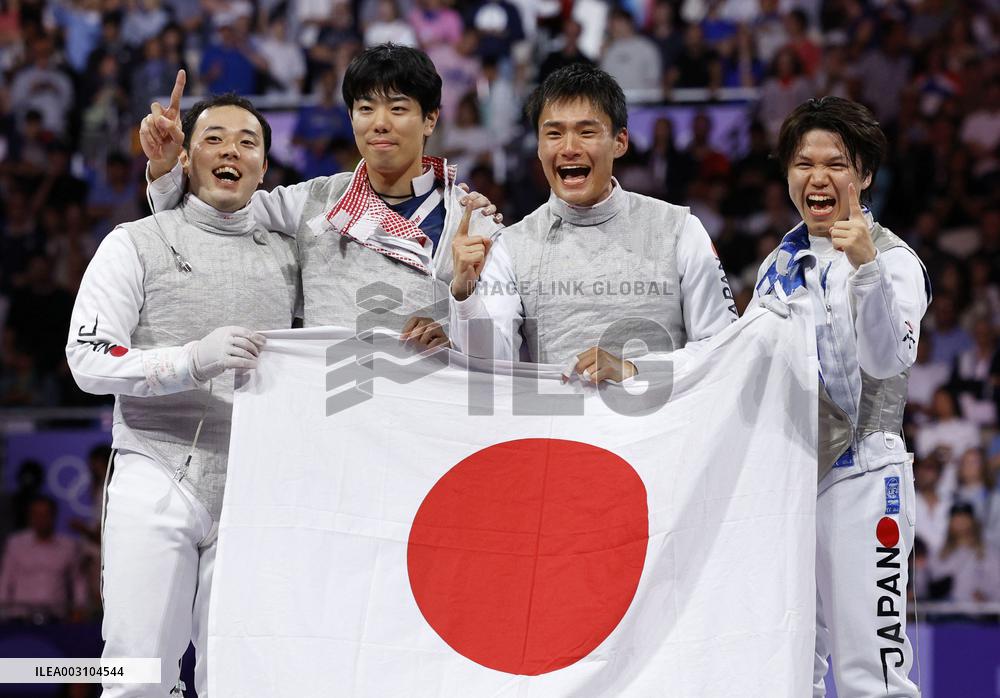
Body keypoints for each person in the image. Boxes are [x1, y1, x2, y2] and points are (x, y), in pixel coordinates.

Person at [67, 92, 299, 697]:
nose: (231, 151)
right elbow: (87, 358)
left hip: (254, 488)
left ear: (265, 168)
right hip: (157, 466)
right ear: (186, 158)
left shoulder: (292, 259)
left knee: (238, 682)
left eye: (248, 142)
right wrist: (190, 361)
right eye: (214, 138)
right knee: (137, 677)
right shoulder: (134, 242)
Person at [142, 45, 501, 345]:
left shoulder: (473, 222)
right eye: (365, 108)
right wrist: (166, 163)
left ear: (430, 119)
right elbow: (204, 215)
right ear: (351, 117)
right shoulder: (310, 202)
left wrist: (454, 339)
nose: (379, 122)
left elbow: (504, 346)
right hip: (332, 409)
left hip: (425, 413)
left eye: (398, 108)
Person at [753, 96, 930, 697]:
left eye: (835, 164)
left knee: (871, 675)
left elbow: (887, 358)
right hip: (792, 484)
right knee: (790, 669)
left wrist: (866, 268)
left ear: (865, 175)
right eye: (804, 164)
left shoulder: (897, 261)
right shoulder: (779, 264)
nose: (818, 178)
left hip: (865, 481)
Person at [448, 63, 737, 380]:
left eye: (586, 132)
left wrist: (634, 370)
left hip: (663, 425)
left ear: (620, 141)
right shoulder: (512, 246)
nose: (569, 148)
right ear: (540, 147)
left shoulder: (679, 228)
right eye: (554, 134)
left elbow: (722, 348)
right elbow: (490, 366)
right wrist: (465, 295)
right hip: (560, 428)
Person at [0, 495, 86, 621]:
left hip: (57, 618)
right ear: (30, 517)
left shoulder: (69, 546)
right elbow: (6, 578)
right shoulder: (15, 544)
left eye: (45, 514)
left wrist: (80, 608)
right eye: (36, 514)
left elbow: (78, 580)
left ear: (54, 516)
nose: (41, 519)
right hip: (19, 617)